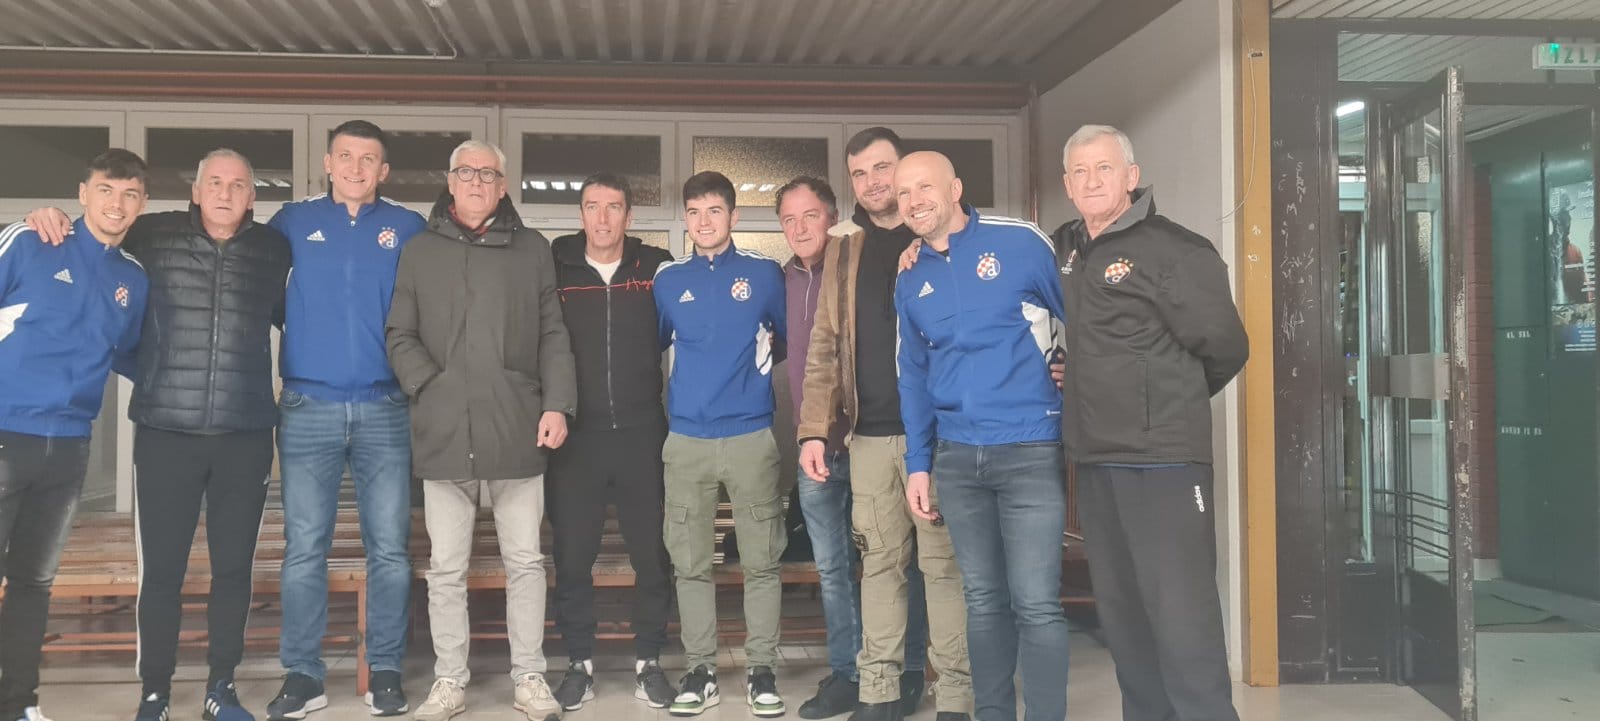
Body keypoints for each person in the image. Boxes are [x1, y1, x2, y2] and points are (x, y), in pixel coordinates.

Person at [22, 148, 294, 721]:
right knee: (162, 572)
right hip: (166, 433)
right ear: (195, 190)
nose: (225, 193)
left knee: (233, 571)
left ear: (253, 196)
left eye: (237, 185)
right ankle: (155, 692)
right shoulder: (150, 235)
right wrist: (49, 216)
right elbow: (96, 240)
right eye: (214, 182)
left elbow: (302, 317)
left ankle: (222, 688)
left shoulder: (274, 249)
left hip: (245, 434)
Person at [1052, 125, 1248, 721]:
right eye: (1080, 171)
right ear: (1067, 184)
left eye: (1104, 168)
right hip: (1097, 459)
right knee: (1125, 617)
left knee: (1182, 617)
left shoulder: (1177, 251)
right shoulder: (1066, 249)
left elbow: (1226, 347)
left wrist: (1159, 396)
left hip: (1165, 462)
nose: (1091, 181)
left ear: (1131, 177)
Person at [386, 139, 575, 721]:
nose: (475, 182)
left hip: (516, 425)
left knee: (526, 562)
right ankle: (449, 681)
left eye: (487, 174)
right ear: (449, 181)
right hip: (444, 431)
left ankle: (529, 678)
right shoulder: (420, 250)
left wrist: (557, 405)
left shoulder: (532, 248)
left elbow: (552, 333)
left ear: (503, 185)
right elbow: (399, 333)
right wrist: (430, 386)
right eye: (465, 172)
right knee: (446, 569)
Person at [894, 151, 1069, 721]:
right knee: (984, 601)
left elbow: (1086, 319)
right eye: (903, 193)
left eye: (925, 187)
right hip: (957, 457)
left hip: (1029, 449)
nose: (913, 201)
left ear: (955, 189)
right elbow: (913, 375)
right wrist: (918, 463)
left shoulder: (1020, 241)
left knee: (1036, 604)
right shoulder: (910, 275)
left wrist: (1073, 371)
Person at [796, 128, 960, 721]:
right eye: (859, 173)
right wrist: (814, 430)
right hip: (867, 437)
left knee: (941, 569)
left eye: (881, 168)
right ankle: (880, 691)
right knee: (881, 568)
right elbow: (825, 344)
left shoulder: (942, 236)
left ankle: (956, 697)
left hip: (935, 436)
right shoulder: (846, 248)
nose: (872, 183)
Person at [266, 120, 427, 720]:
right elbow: (265, 295)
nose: (356, 168)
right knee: (305, 548)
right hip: (309, 406)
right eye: (346, 157)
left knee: (389, 550)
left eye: (369, 159)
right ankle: (302, 674)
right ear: (328, 164)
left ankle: (384, 670)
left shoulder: (408, 227)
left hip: (387, 407)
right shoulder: (291, 222)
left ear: (384, 171)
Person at [0, 149, 150, 721]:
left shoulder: (132, 279)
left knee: (34, 583)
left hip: (67, 449)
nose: (117, 203)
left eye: (130, 194)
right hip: (6, 433)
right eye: (106, 189)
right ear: (83, 193)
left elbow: (130, 354)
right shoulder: (31, 241)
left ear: (141, 204)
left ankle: (20, 704)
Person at [652, 171, 787, 718]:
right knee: (690, 564)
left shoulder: (765, 274)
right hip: (687, 438)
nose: (703, 221)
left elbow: (785, 340)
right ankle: (701, 669)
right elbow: (656, 342)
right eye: (694, 212)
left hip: (751, 434)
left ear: (734, 215)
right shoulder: (668, 280)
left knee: (762, 561)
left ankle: (762, 670)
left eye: (714, 210)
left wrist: (749, 381)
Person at [545, 173, 677, 711]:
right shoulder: (556, 266)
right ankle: (579, 662)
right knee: (573, 558)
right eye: (592, 206)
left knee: (652, 555)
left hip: (643, 435)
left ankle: (649, 661)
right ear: (580, 213)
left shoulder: (656, 267)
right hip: (576, 440)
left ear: (629, 215)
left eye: (614, 207)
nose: (602, 218)